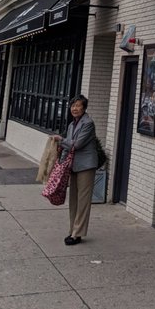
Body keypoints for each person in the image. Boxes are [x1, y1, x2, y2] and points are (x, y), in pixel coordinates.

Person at [52, 95, 98, 245]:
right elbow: (68, 147)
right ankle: (72, 229)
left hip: (86, 165)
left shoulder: (88, 123)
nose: (75, 109)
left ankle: (77, 234)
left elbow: (76, 145)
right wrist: (61, 162)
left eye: (78, 106)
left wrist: (61, 140)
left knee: (83, 200)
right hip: (73, 165)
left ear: (84, 108)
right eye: (73, 106)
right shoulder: (72, 125)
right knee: (73, 200)